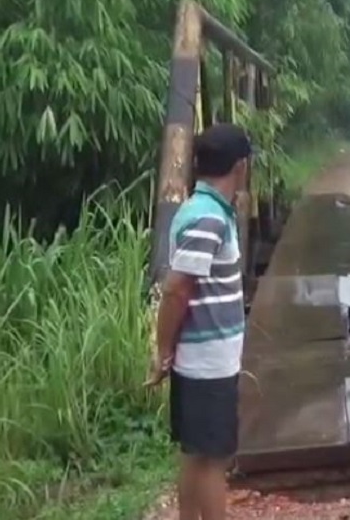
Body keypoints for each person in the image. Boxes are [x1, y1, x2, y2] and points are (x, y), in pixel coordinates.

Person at [147, 123, 253, 520]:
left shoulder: (202, 210)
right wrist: (162, 350)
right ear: (241, 166)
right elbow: (177, 289)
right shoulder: (208, 217)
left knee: (195, 453)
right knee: (213, 460)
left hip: (202, 355)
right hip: (207, 361)